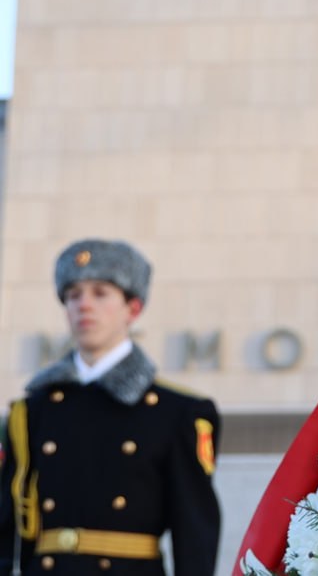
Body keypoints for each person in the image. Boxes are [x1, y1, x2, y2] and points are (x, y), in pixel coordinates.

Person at [0, 239, 220, 576]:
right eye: (74, 295)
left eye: (100, 293)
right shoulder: (32, 411)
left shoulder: (177, 413)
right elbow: (8, 520)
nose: (84, 305)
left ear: (133, 308)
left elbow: (194, 533)